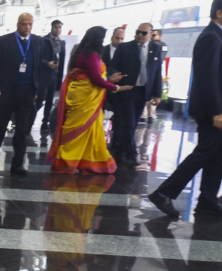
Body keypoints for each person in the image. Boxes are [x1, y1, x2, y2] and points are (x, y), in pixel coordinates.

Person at [148, 0, 222, 219]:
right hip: (215, 111)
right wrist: (217, 110)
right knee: (205, 152)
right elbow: (208, 77)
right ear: (219, 12)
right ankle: (164, 192)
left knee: (219, 155)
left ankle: (208, 199)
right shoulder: (211, 37)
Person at [49, 26, 130, 174]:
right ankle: (71, 161)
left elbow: (88, 77)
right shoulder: (91, 55)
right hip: (86, 100)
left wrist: (109, 80)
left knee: (77, 128)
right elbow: (95, 79)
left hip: (79, 95)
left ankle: (72, 160)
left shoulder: (79, 52)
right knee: (81, 130)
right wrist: (116, 87)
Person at [0, 12, 54, 175]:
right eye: (24, 24)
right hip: (6, 91)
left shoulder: (38, 42)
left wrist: (38, 89)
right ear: (18, 24)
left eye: (30, 24)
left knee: (23, 129)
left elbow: (39, 65)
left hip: (27, 91)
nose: (27, 27)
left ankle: (17, 164)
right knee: (0, 126)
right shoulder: (4, 41)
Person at [107, 23, 163, 168]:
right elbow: (113, 65)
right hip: (127, 90)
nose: (140, 35)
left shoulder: (155, 49)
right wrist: (113, 75)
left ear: (150, 34)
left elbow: (157, 72)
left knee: (132, 124)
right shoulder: (125, 47)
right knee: (129, 123)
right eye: (138, 32)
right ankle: (131, 154)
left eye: (144, 33)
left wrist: (157, 94)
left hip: (143, 91)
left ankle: (119, 151)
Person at [39, 20, 66, 138]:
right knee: (40, 99)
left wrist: (60, 79)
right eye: (56, 27)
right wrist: (46, 64)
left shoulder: (62, 43)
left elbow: (63, 60)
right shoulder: (44, 41)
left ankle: (45, 122)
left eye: (60, 27)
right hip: (44, 75)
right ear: (52, 28)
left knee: (50, 100)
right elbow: (38, 58)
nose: (58, 30)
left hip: (55, 75)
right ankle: (28, 120)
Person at [144, 29, 168, 122]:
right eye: (151, 35)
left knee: (154, 94)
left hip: (156, 70)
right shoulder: (147, 45)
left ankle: (151, 114)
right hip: (147, 72)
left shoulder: (162, 46)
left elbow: (160, 58)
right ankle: (145, 115)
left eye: (154, 35)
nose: (152, 37)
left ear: (160, 36)